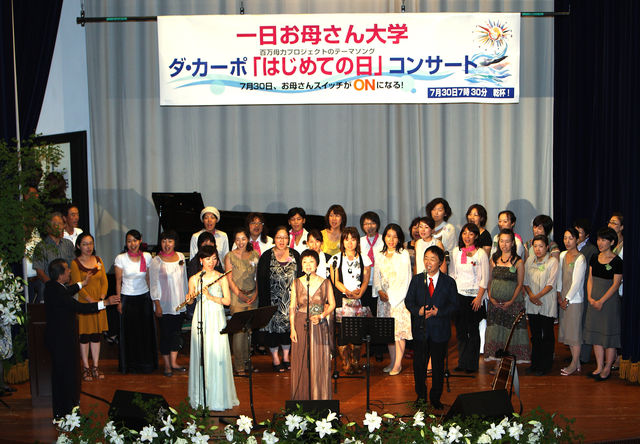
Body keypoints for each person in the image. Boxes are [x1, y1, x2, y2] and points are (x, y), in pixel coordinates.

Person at [44, 259, 119, 418]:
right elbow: (80, 307)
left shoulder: (51, 287)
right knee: (66, 377)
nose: (70, 271)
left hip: (58, 340)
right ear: (61, 275)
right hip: (62, 341)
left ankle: (66, 410)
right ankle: (66, 412)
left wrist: (82, 284)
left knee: (63, 376)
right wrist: (105, 303)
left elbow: (67, 290)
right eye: (67, 270)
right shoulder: (58, 292)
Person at [405, 246, 458, 410]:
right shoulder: (417, 280)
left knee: (438, 366)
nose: (428, 262)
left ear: (440, 262)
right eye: (426, 258)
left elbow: (454, 305)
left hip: (440, 331)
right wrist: (419, 311)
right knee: (419, 366)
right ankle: (420, 397)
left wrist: (438, 312)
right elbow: (409, 301)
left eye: (432, 259)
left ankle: (435, 398)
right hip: (421, 330)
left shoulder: (448, 282)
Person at [186, 245, 238, 411]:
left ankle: (217, 398)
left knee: (217, 354)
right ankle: (201, 397)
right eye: (208, 259)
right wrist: (189, 298)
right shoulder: (194, 279)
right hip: (200, 318)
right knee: (201, 354)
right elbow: (190, 301)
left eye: (214, 259)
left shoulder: (221, 277)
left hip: (216, 318)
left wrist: (210, 296)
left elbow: (227, 301)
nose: (211, 262)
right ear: (201, 260)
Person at [289, 250, 336, 400]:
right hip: (301, 322)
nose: (308, 265)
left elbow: (332, 304)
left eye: (311, 261)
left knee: (318, 360)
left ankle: (319, 398)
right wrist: (292, 328)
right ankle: (302, 398)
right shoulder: (296, 282)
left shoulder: (325, 282)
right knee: (301, 361)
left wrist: (321, 316)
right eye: (305, 262)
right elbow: (292, 307)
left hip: (319, 323)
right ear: (301, 265)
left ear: (316, 264)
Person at [257, 226, 302, 372]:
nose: (282, 241)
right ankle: (276, 358)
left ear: (288, 239)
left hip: (291, 301)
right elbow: (261, 281)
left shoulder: (295, 255)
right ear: (274, 239)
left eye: (284, 237)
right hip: (272, 301)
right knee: (273, 332)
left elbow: (301, 278)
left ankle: (286, 357)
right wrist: (264, 304)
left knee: (288, 330)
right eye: (278, 237)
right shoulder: (266, 256)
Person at [329, 226, 372, 375]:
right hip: (343, 300)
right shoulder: (336, 258)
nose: (350, 242)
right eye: (346, 239)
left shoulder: (364, 258)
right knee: (342, 333)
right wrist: (346, 291)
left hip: (359, 300)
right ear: (342, 241)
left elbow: (366, 280)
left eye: (353, 239)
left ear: (357, 241)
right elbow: (335, 280)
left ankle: (356, 362)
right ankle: (345, 363)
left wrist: (360, 293)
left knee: (358, 332)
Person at [113, 229, 156, 374]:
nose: (132, 244)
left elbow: (148, 278)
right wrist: (119, 301)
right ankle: (129, 365)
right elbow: (118, 281)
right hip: (127, 298)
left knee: (144, 333)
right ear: (126, 243)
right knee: (129, 334)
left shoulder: (147, 257)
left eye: (135, 241)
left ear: (140, 241)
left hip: (144, 298)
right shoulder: (121, 258)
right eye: (129, 241)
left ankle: (145, 364)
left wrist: (152, 298)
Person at [484, 229, 530, 365]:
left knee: (511, 333)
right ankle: (498, 363)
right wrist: (491, 298)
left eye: (507, 241)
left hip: (513, 304)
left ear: (512, 243)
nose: (504, 245)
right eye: (502, 241)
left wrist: (511, 301)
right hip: (495, 304)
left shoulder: (518, 261)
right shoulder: (493, 259)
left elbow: (520, 284)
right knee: (496, 332)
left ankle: (509, 364)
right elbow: (489, 281)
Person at [449, 223, 489, 374]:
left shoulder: (481, 254)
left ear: (476, 236)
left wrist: (479, 297)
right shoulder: (456, 252)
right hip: (459, 296)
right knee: (460, 331)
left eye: (471, 234)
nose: (467, 236)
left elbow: (485, 278)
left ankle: (472, 364)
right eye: (465, 233)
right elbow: (452, 274)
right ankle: (462, 362)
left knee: (472, 331)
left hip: (474, 297)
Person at [583, 227, 622, 381]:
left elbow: (616, 284)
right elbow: (590, 279)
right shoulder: (594, 257)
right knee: (595, 334)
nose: (600, 242)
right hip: (593, 300)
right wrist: (590, 297)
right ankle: (599, 366)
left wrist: (601, 301)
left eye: (604, 240)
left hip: (608, 303)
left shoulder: (617, 261)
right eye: (599, 239)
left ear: (611, 242)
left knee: (609, 335)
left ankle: (607, 368)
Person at [373, 224, 412, 375]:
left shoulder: (403, 254)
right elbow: (376, 276)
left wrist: (393, 296)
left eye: (395, 237)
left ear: (399, 239)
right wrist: (379, 290)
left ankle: (398, 364)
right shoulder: (379, 254)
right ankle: (392, 361)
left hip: (398, 300)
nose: (391, 240)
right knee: (388, 333)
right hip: (383, 300)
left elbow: (405, 278)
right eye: (389, 236)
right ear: (384, 237)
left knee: (399, 333)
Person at [69, 233, 109, 382]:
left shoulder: (98, 260)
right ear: (78, 246)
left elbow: (104, 281)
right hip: (84, 304)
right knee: (85, 336)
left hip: (99, 302)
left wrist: (102, 297)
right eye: (85, 244)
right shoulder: (75, 263)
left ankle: (95, 366)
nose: (88, 247)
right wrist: (91, 301)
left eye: (90, 243)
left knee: (96, 335)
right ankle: (86, 367)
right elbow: (77, 285)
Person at [150, 230, 188, 377]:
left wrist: (186, 297)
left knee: (176, 333)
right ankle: (166, 365)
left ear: (174, 243)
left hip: (179, 303)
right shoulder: (156, 261)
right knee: (165, 334)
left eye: (170, 241)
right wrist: (157, 304)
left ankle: (174, 362)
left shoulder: (180, 257)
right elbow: (153, 284)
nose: (167, 244)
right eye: (164, 241)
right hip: (164, 304)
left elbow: (184, 279)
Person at [225, 227, 259, 375]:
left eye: (243, 239)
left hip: (252, 297)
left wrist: (256, 293)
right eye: (238, 239)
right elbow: (229, 278)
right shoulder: (230, 256)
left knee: (249, 331)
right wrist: (239, 294)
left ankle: (247, 362)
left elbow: (257, 276)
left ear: (248, 239)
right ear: (234, 240)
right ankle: (239, 366)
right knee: (239, 332)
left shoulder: (254, 255)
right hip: (237, 297)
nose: (240, 242)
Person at [523, 235, 559, 376]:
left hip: (546, 303)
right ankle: (535, 364)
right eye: (535, 246)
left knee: (547, 336)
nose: (538, 249)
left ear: (547, 247)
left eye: (541, 246)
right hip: (532, 303)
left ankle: (545, 366)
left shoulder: (552, 261)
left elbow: (551, 284)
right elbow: (525, 281)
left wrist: (536, 296)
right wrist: (531, 296)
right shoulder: (529, 261)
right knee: (535, 335)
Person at [557, 228, 587, 376]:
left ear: (577, 240)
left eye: (570, 238)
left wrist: (567, 299)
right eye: (565, 238)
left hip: (574, 300)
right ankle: (577, 362)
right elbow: (559, 277)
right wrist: (559, 294)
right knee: (568, 333)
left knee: (574, 334)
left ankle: (574, 363)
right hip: (563, 298)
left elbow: (577, 283)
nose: (567, 241)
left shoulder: (580, 258)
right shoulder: (562, 255)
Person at [574, 217, 598, 364]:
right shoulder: (572, 247)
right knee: (576, 323)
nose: (576, 236)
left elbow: (590, 274)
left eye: (580, 233)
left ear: (587, 235)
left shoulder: (592, 250)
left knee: (585, 323)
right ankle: (575, 354)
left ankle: (584, 356)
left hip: (584, 290)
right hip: (573, 292)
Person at [32, 212, 75, 287]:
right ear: (48, 228)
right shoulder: (41, 247)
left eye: (61, 224)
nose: (60, 227)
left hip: (68, 289)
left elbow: (73, 267)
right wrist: (54, 287)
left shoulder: (68, 244)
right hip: (49, 289)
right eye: (56, 224)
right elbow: (40, 273)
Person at [359, 211, 384, 318]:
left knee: (377, 313)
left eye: (372, 223)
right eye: (366, 224)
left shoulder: (384, 240)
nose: (369, 227)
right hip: (364, 283)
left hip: (379, 283)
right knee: (364, 313)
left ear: (377, 224)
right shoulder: (359, 241)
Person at [607, 212, 624, 296]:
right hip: (606, 284)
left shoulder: (624, 245)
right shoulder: (607, 243)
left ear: (621, 227)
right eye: (610, 222)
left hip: (619, 288)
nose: (610, 225)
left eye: (614, 223)